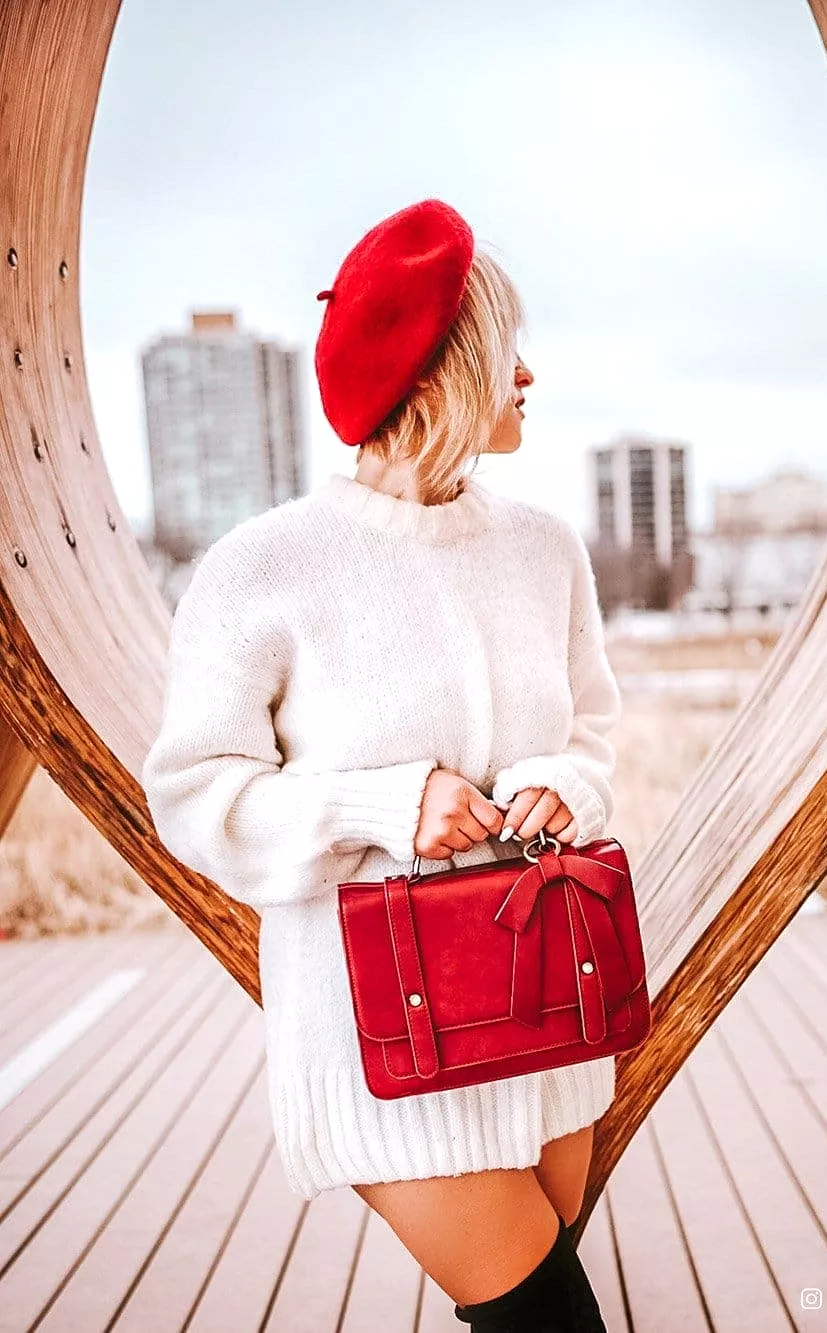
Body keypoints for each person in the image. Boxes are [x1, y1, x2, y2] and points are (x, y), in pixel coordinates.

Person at [141, 198, 622, 1331]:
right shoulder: (263, 567)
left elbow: (595, 734)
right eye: (508, 350)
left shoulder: (545, 548)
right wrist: (387, 804)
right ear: (444, 370)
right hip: (382, 1042)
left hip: (548, 1019)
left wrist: (568, 783)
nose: (529, 376)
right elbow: (195, 795)